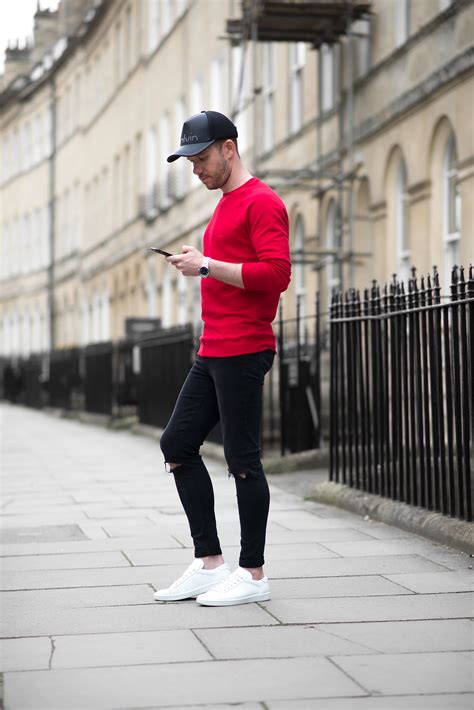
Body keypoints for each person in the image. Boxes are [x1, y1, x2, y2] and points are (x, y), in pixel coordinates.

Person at [153, 110, 291, 606]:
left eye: (202, 158)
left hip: (245, 347)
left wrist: (208, 264)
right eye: (190, 161)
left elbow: (276, 274)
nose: (196, 169)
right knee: (177, 443)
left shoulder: (262, 202)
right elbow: (233, 267)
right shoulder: (225, 206)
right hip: (213, 348)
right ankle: (211, 564)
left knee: (243, 461)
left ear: (229, 149)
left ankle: (253, 575)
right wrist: (201, 263)